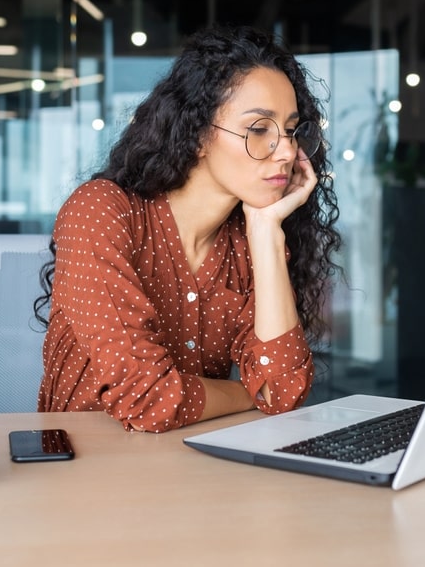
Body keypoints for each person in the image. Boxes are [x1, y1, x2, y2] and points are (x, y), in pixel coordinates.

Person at [35, 25, 342, 433]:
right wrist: (250, 394)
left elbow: (284, 390)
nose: (286, 151)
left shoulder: (248, 241)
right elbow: (150, 400)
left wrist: (267, 230)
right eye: (259, 129)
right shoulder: (101, 212)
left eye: (290, 130)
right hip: (85, 470)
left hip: (196, 467)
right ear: (197, 134)